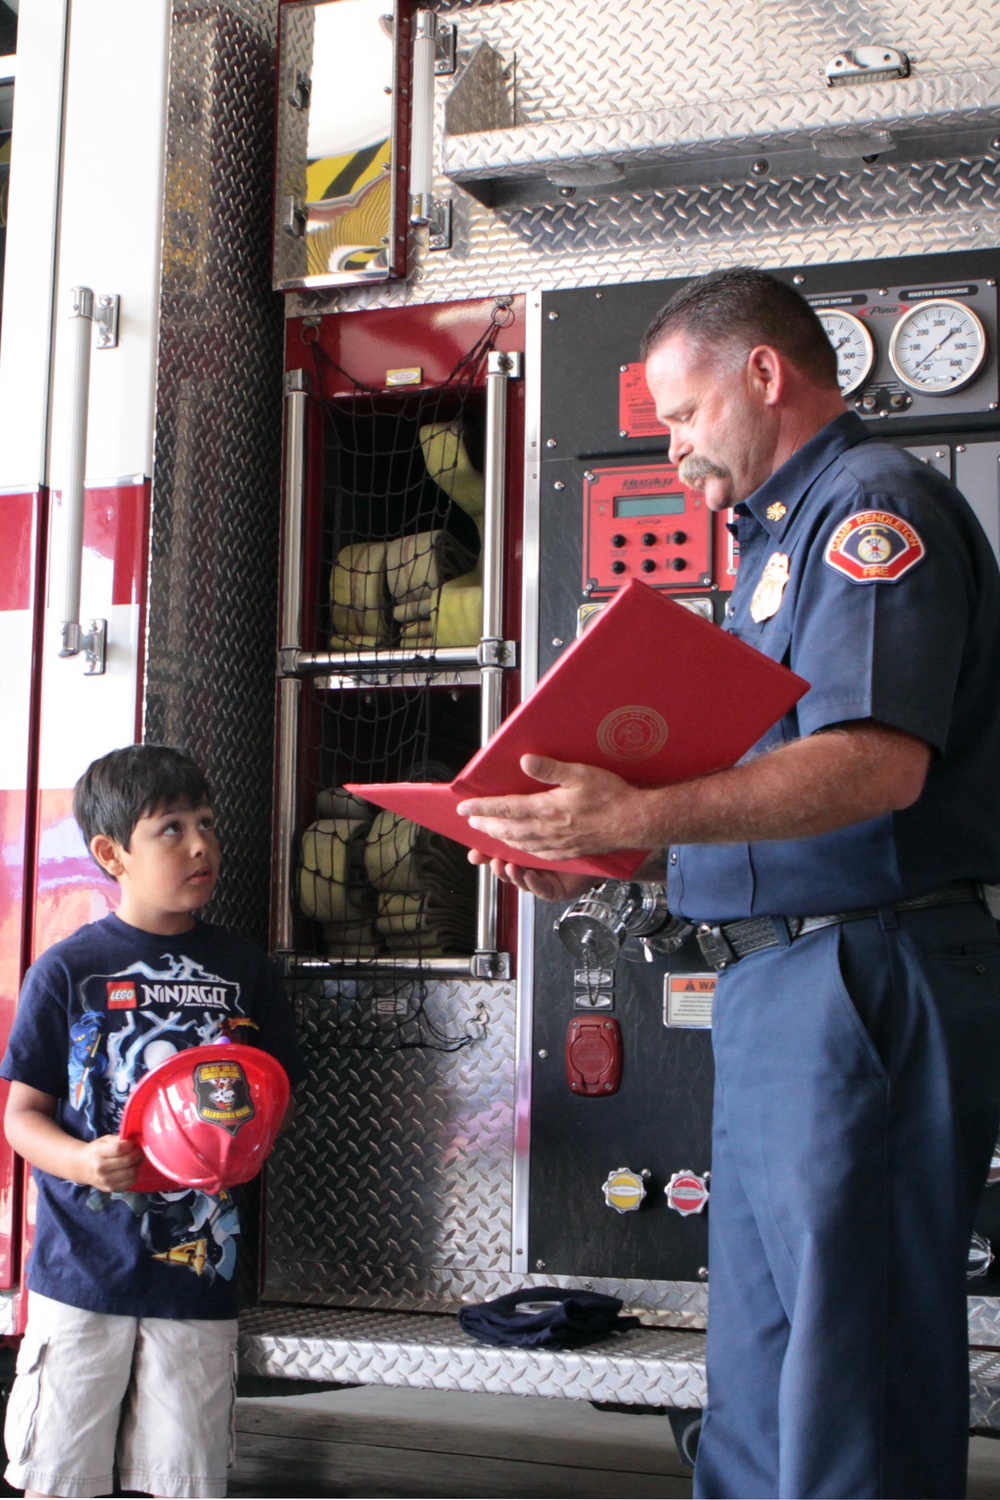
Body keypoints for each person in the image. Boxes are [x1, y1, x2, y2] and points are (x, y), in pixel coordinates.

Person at [457, 266, 1000, 1499]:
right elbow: (759, 799)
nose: (671, 442)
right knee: (759, 1371)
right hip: (778, 987)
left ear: (765, 373)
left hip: (862, 974)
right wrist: (605, 848)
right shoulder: (770, 547)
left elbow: (875, 765)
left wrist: (641, 809)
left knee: (845, 1370)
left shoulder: (871, 511)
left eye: (684, 411)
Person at [0, 744, 306, 1500]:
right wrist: (79, 1162)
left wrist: (242, 1137)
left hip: (197, 1285)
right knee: (61, 1479)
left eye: (206, 823)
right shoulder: (69, 970)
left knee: (184, 1481)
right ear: (111, 854)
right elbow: (22, 1116)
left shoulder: (246, 972)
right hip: (80, 1279)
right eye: (170, 829)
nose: (201, 844)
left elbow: (277, 1090)